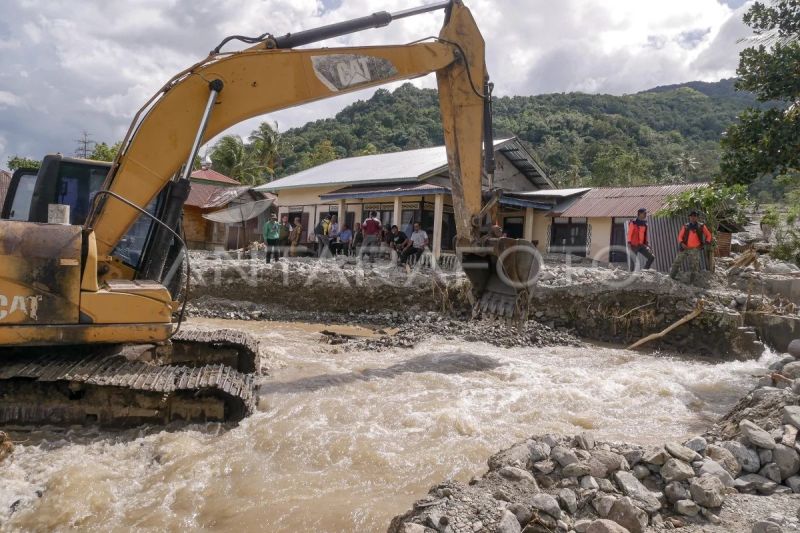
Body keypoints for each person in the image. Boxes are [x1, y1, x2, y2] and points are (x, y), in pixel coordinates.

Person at [670, 210, 713, 283]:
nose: (693, 217)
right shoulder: (685, 226)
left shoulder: (701, 226)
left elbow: (709, 235)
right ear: (689, 217)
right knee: (677, 262)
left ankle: (691, 283)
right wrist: (682, 243)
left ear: (697, 217)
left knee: (694, 266)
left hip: (695, 249)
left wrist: (705, 243)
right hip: (685, 248)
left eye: (695, 216)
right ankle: (671, 278)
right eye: (691, 216)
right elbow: (680, 236)